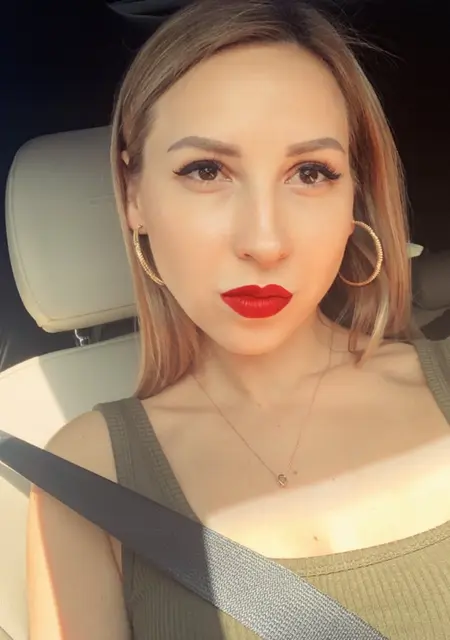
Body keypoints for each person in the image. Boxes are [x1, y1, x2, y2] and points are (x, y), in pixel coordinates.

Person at [27, 0, 450, 638]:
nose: (264, 241)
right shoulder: (87, 473)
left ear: (353, 197)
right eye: (207, 171)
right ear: (134, 194)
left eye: (311, 173)